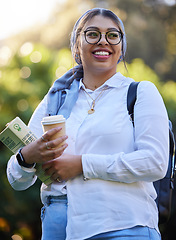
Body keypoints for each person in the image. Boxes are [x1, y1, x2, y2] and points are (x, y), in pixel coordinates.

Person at [7, 8, 169, 240]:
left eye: (113, 35)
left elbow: (155, 162)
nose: (103, 41)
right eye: (92, 34)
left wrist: (82, 164)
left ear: (121, 48)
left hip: (123, 227)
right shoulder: (55, 99)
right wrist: (26, 157)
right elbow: (16, 180)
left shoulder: (140, 93)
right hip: (58, 230)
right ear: (76, 45)